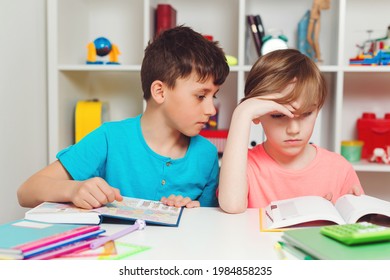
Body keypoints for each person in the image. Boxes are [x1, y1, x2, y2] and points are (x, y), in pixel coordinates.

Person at [18, 26, 230, 210]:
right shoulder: (109, 138)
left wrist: (192, 210)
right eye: (201, 96)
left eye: (214, 96)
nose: (211, 109)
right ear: (160, 91)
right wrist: (74, 190)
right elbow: (26, 192)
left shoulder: (207, 154)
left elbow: (209, 223)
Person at [218, 49, 363, 214]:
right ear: (257, 114)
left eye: (307, 114)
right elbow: (232, 205)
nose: (294, 130)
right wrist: (242, 113)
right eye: (278, 115)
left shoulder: (339, 169)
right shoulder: (243, 165)